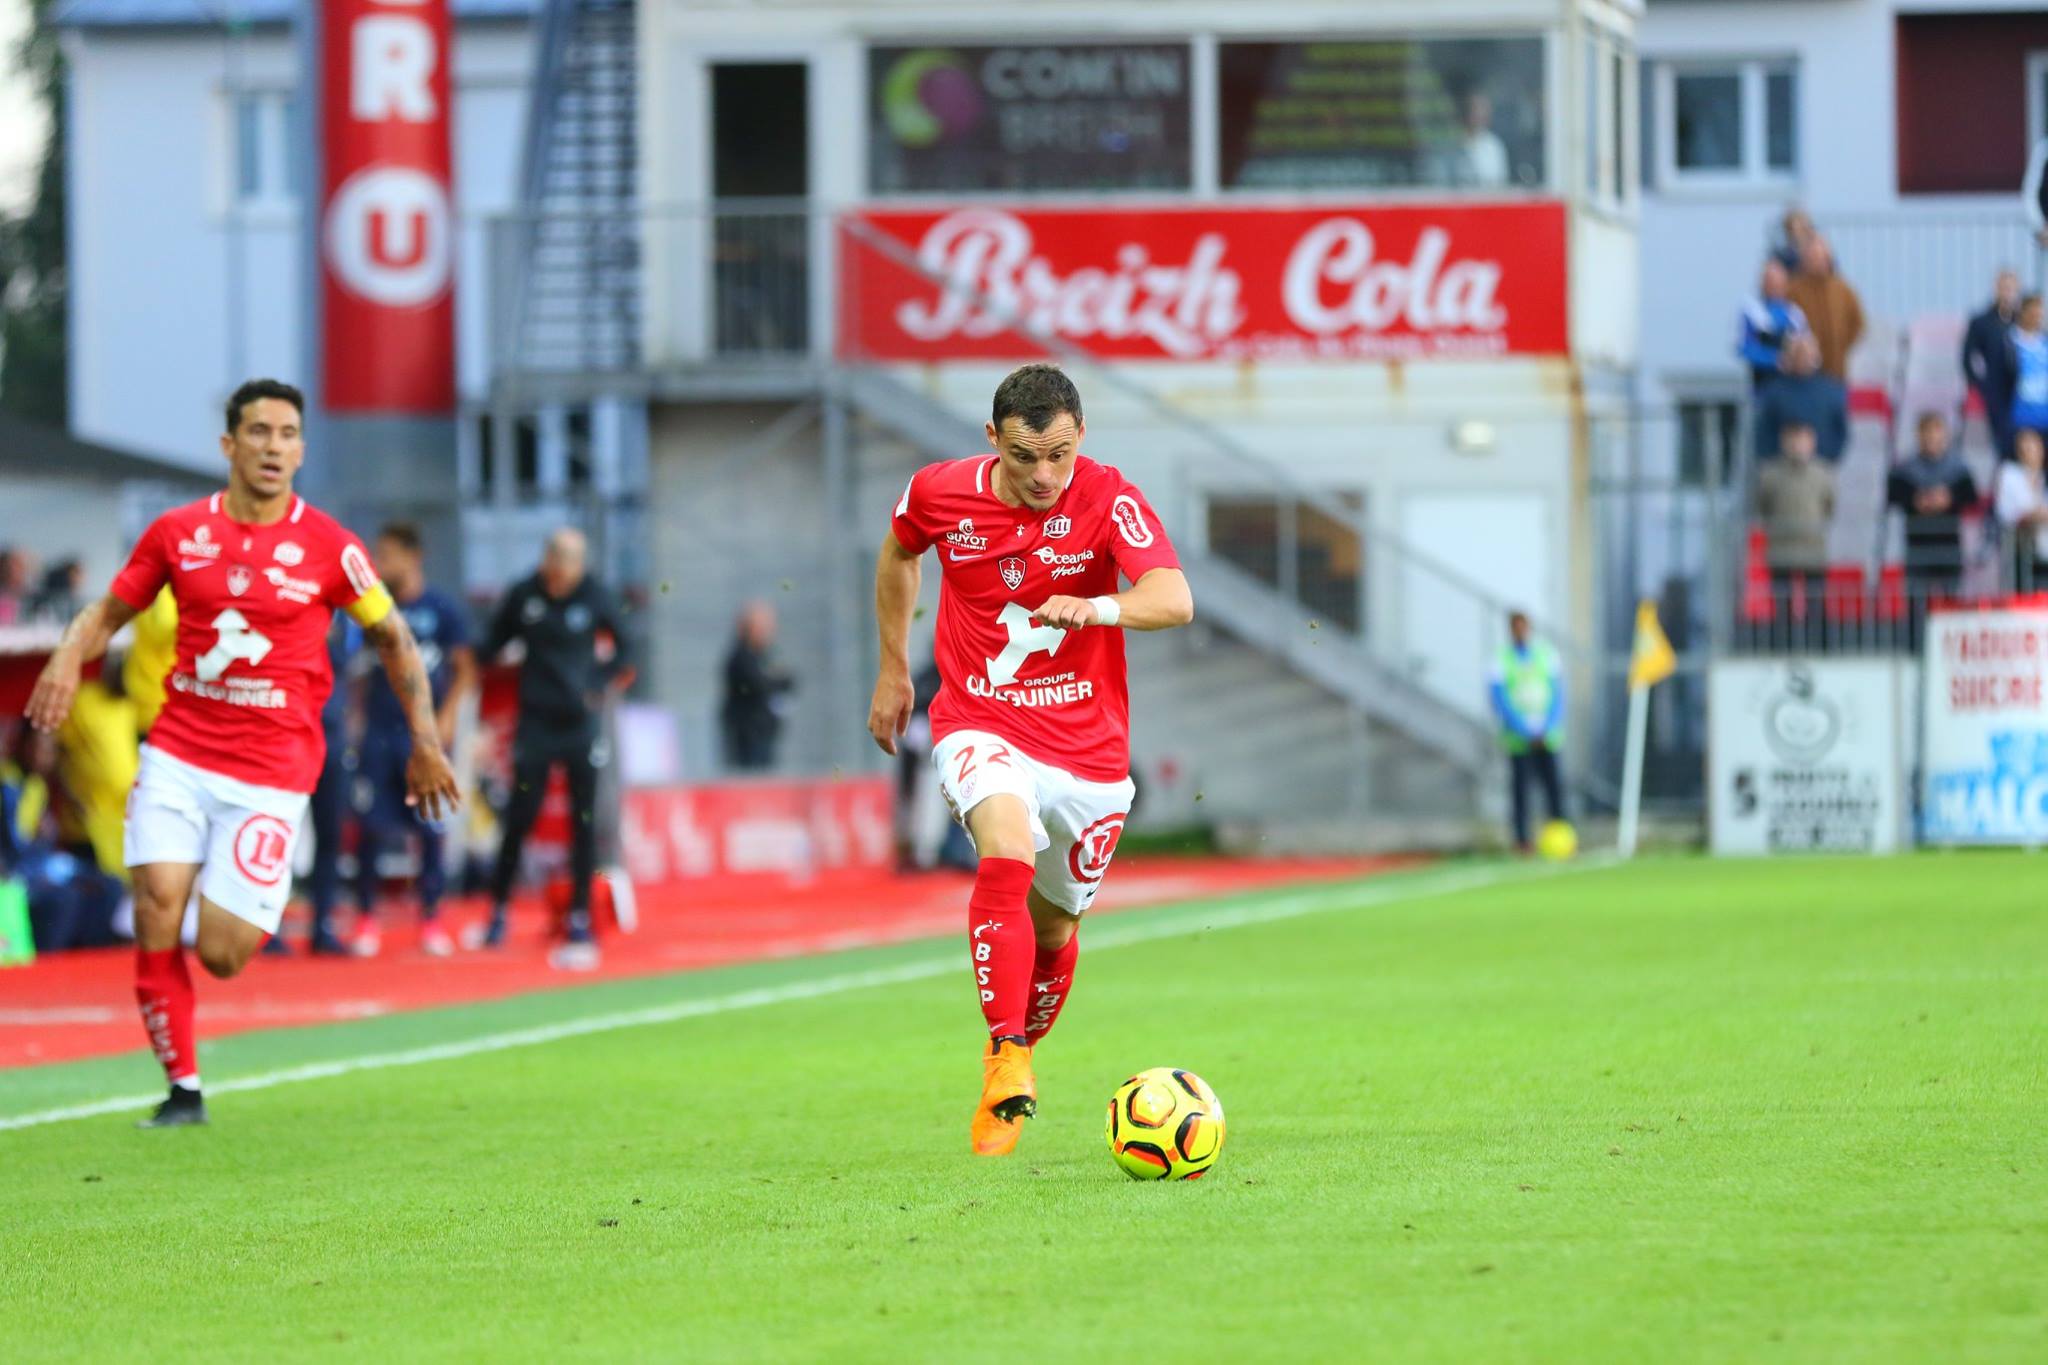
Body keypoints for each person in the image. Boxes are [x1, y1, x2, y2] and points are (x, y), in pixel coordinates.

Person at [23, 378, 460, 1128]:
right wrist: (67, 655)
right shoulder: (177, 532)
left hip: (271, 773)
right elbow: (108, 611)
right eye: (259, 431)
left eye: (288, 433)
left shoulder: (331, 545)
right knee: (157, 902)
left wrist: (427, 739)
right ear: (230, 445)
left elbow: (392, 636)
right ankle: (182, 1087)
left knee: (223, 953)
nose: (274, 446)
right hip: (179, 753)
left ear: (301, 449)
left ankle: (237, 895)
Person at [868, 362, 1194, 1158]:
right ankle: (1007, 1053)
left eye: (1058, 455)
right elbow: (899, 554)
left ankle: (1015, 1048)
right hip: (980, 719)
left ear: (1080, 437)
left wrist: (1099, 604)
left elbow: (1174, 596)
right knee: (1005, 847)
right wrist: (893, 665)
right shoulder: (942, 492)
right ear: (992, 440)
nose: (1044, 475)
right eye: (1023, 457)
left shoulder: (1108, 496)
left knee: (1053, 933)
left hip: (1089, 751)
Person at [473, 527, 631, 967]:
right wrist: (470, 658)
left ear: (579, 566)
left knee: (584, 823)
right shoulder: (525, 595)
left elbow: (627, 649)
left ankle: (580, 913)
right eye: (555, 564)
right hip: (536, 727)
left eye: (570, 566)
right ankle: (498, 910)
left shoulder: (597, 596)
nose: (560, 575)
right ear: (547, 561)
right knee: (520, 817)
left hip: (580, 726)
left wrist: (596, 685)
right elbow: (491, 644)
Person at [348, 523, 476, 957]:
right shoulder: (372, 609)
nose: (380, 564)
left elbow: (465, 669)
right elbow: (359, 671)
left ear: (412, 555)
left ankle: (432, 919)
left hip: (424, 738)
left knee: (431, 829)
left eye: (387, 554)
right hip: (379, 732)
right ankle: (366, 919)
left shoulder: (441, 609)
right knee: (369, 826)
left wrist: (447, 716)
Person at [1886, 412, 1979, 632]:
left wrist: (1949, 497)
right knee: (1916, 602)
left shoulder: (1958, 468)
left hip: (1948, 546)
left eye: (1937, 436)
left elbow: (1971, 496)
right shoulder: (1905, 468)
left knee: (1950, 602)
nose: (1932, 442)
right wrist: (1915, 499)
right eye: (1927, 436)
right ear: (1919, 436)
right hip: (1918, 546)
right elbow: (1893, 495)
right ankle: (1913, 646)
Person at [1487, 611, 1565, 854]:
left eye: (1524, 627)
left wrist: (1547, 727)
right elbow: (1499, 699)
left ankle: (1562, 837)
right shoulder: (1500, 659)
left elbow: (1558, 694)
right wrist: (1523, 729)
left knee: (1554, 788)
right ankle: (1522, 841)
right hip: (1519, 739)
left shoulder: (1546, 655)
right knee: (1521, 791)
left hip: (1547, 737)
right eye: (1516, 627)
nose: (1521, 631)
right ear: (1511, 630)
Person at [1754, 421, 1836, 643]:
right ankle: (1784, 648)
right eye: (1793, 439)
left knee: (1815, 604)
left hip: (1813, 550)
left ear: (1812, 442)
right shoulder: (1769, 474)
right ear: (1783, 442)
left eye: (1803, 439)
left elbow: (1829, 506)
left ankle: (1818, 648)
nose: (1798, 445)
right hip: (1781, 551)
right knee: (1783, 607)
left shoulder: (1823, 473)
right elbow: (1763, 506)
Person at [719, 600, 795, 771]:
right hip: (747, 734)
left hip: (765, 731)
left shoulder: (765, 655)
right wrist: (775, 679)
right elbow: (759, 683)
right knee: (750, 778)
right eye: (762, 627)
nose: (768, 633)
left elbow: (789, 680)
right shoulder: (741, 658)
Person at [1752, 332, 1847, 461]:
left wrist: (1827, 460)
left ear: (1816, 356)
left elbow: (1840, 431)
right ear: (1788, 356)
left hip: (1820, 467)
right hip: (1781, 469)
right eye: (1797, 353)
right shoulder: (1775, 391)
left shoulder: (1830, 390)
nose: (1802, 358)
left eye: (1806, 353)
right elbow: (1763, 431)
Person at [1785, 236, 1864, 384]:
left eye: (1820, 257)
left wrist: (1842, 344)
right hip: (1803, 373)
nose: (1816, 262)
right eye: (1812, 257)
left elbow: (1858, 323)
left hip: (1836, 367)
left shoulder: (1843, 289)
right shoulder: (1793, 290)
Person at [1963, 269, 2021, 456]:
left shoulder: (2023, 321)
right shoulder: (1981, 322)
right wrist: (1978, 384)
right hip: (1995, 392)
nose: (2007, 292)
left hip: (2022, 392)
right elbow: (1968, 356)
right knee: (2001, 442)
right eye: (2003, 287)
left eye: (2011, 288)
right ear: (1996, 289)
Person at [1737, 259, 1810, 391]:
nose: (1774, 286)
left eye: (1778, 282)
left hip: (1791, 386)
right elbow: (1744, 348)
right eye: (1770, 281)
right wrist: (1775, 360)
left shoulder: (1795, 314)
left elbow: (1806, 346)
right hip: (1762, 385)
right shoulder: (1752, 311)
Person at [1995, 428, 2048, 592]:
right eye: (2024, 447)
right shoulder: (2009, 474)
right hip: (2019, 548)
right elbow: (2004, 512)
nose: (2029, 451)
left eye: (2033, 446)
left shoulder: (2043, 476)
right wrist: (2032, 515)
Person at [2011, 293, 2048, 443]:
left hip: (2044, 418)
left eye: (2039, 312)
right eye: (2033, 312)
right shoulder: (2008, 340)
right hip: (2019, 420)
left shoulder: (2045, 341)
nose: (2037, 317)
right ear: (2023, 312)